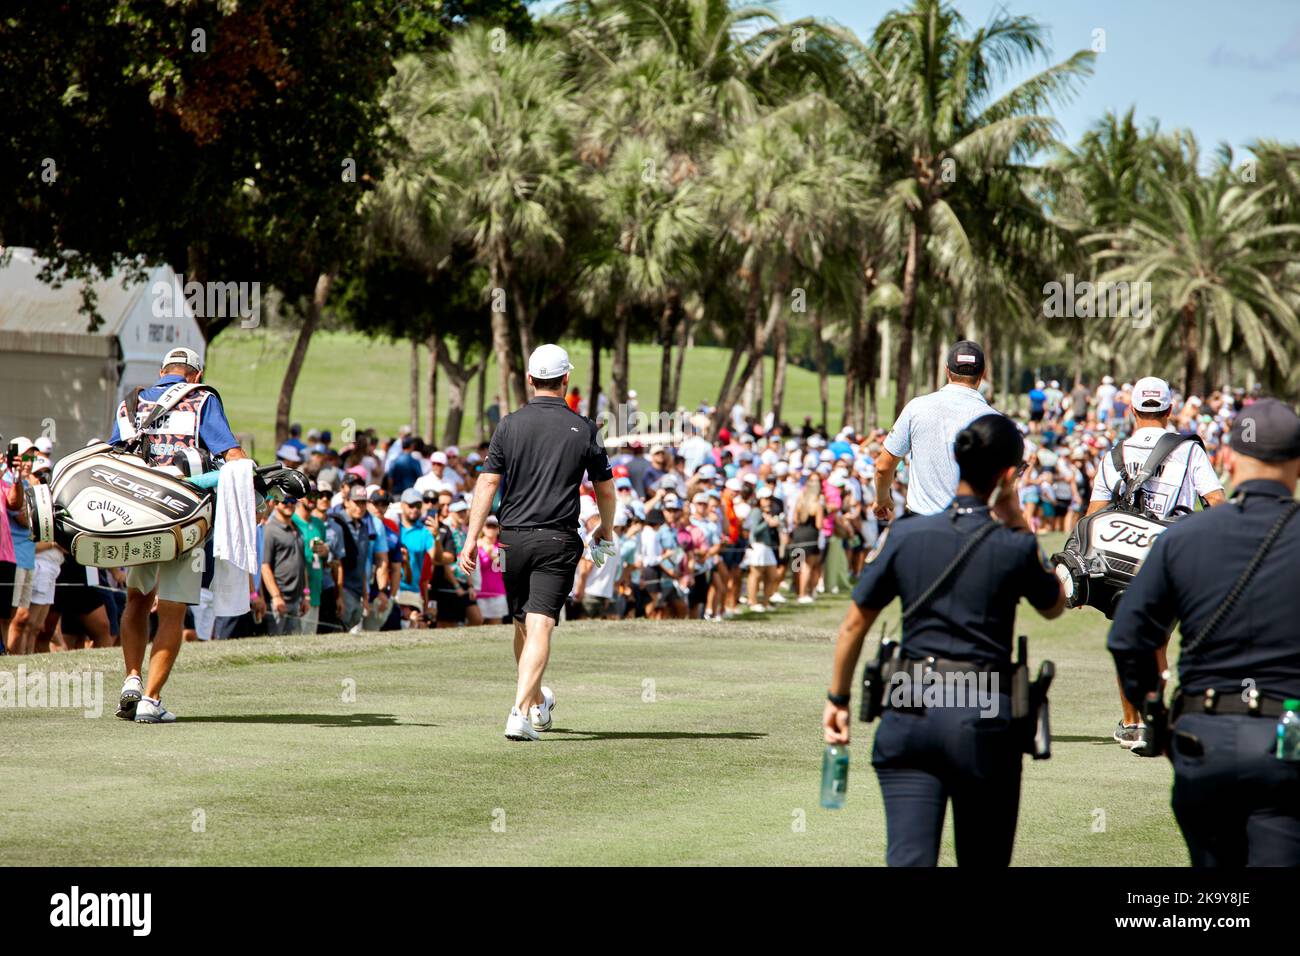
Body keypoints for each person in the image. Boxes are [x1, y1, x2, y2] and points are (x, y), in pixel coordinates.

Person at [823, 413, 1066, 866]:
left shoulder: (907, 535)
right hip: (985, 716)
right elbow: (1054, 603)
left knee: (909, 859)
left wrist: (837, 699)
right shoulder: (1012, 546)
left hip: (908, 708)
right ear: (1009, 475)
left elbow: (854, 624)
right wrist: (1016, 520)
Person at [1108, 398, 1300, 866]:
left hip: (1202, 738)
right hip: (1286, 739)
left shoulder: (1181, 538)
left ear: (1229, 460)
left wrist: (1153, 714)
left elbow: (1127, 638)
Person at [459, 343, 615, 742]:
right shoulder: (585, 428)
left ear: (529, 379)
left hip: (511, 540)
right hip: (557, 538)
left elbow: (488, 482)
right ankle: (518, 711)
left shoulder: (508, 424)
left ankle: (533, 703)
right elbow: (606, 492)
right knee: (541, 623)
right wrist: (606, 531)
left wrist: (471, 538)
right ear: (566, 379)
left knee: (523, 624)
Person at [1084, 375, 1226, 748]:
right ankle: (1154, 718)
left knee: (1128, 639)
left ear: (1131, 410)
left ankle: (1132, 722)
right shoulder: (1189, 450)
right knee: (1159, 642)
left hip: (1120, 560)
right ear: (1170, 409)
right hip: (1171, 557)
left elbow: (1093, 516)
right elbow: (1216, 502)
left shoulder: (1114, 453)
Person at [109, 347, 246, 722]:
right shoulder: (202, 400)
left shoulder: (130, 403)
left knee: (136, 600)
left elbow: (113, 457)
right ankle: (151, 701)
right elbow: (232, 456)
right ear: (196, 376)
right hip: (185, 522)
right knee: (172, 611)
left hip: (137, 520)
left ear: (162, 372)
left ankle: (132, 679)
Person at [873, 341, 992, 519]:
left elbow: (883, 466)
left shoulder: (917, 408)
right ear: (982, 374)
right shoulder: (993, 420)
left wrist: (882, 498)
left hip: (922, 524)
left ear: (947, 371)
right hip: (972, 526)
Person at [261, 495, 309, 635]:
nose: (289, 504)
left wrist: (306, 595)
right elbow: (264, 566)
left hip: (297, 598)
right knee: (275, 647)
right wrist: (276, 596)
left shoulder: (297, 528)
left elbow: (302, 563)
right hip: (279, 599)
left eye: (293, 501)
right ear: (275, 504)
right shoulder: (270, 530)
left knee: (293, 646)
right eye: (285, 501)